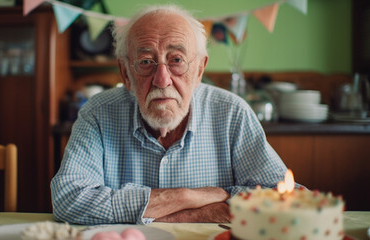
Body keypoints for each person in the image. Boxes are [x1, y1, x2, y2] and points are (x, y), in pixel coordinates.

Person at [51, 4, 289, 225]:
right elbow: (68, 199)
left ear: (199, 70)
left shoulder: (231, 113)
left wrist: (154, 213)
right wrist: (193, 197)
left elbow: (283, 198)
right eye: (146, 62)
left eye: (176, 60)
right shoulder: (98, 113)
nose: (162, 80)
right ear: (125, 74)